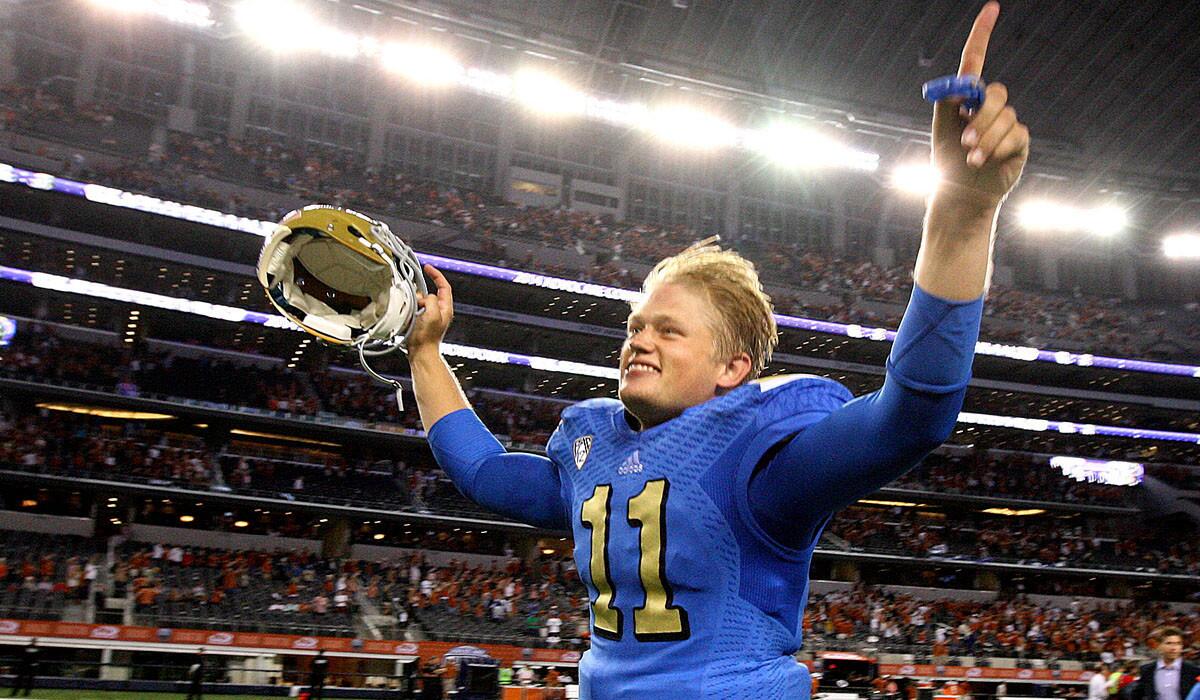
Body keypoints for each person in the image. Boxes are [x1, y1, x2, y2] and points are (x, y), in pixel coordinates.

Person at [406, 3, 1027, 698]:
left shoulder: (759, 466)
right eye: (637, 325)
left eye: (670, 330)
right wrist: (426, 352)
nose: (640, 339)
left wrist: (963, 216)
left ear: (735, 369)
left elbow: (913, 416)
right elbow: (483, 469)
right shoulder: (594, 455)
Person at [1133, 628, 1198, 700]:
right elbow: (1137, 695)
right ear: (1159, 646)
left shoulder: (1193, 670)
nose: (1173, 648)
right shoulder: (1147, 670)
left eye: (1178, 643)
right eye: (1169, 643)